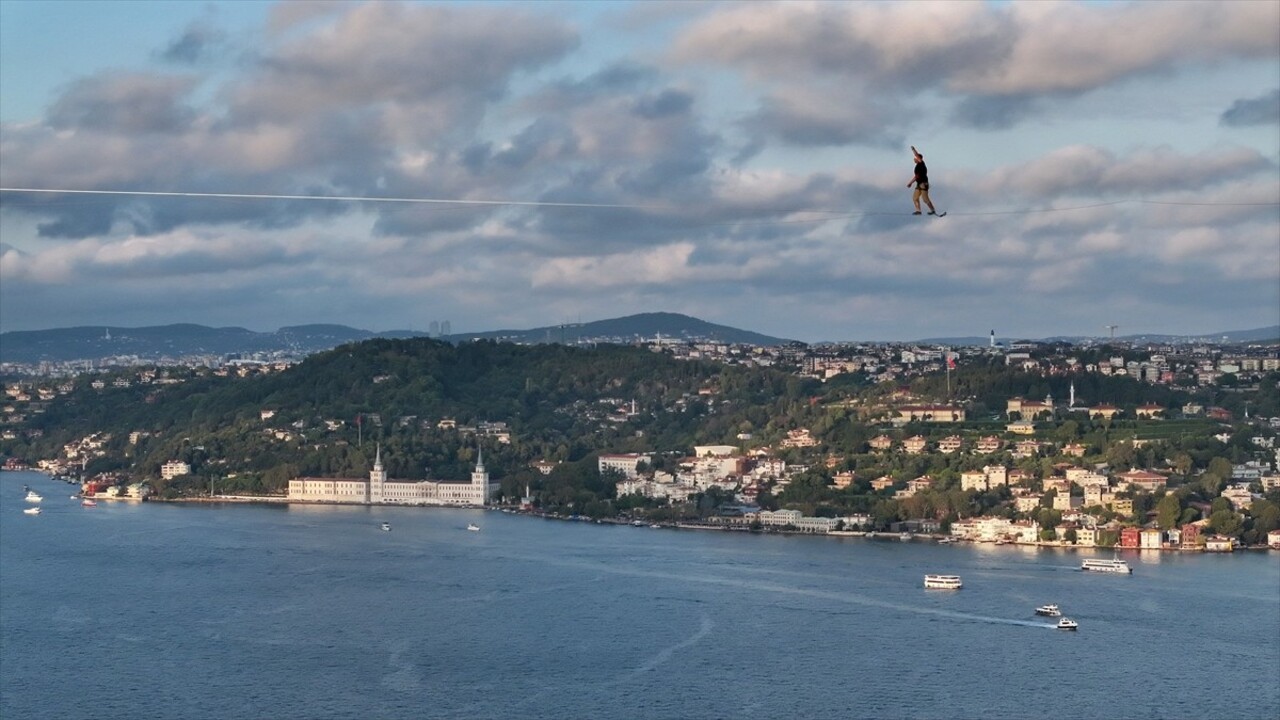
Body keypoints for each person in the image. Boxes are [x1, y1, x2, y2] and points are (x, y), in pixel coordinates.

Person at [908, 145, 938, 215]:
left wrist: (913, 149)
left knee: (925, 199)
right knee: (915, 198)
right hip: (919, 184)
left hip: (923, 184)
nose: (914, 159)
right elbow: (916, 176)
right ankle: (918, 211)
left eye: (915, 158)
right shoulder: (918, 166)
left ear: (919, 158)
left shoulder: (921, 164)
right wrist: (910, 183)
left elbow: (916, 155)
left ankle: (933, 210)